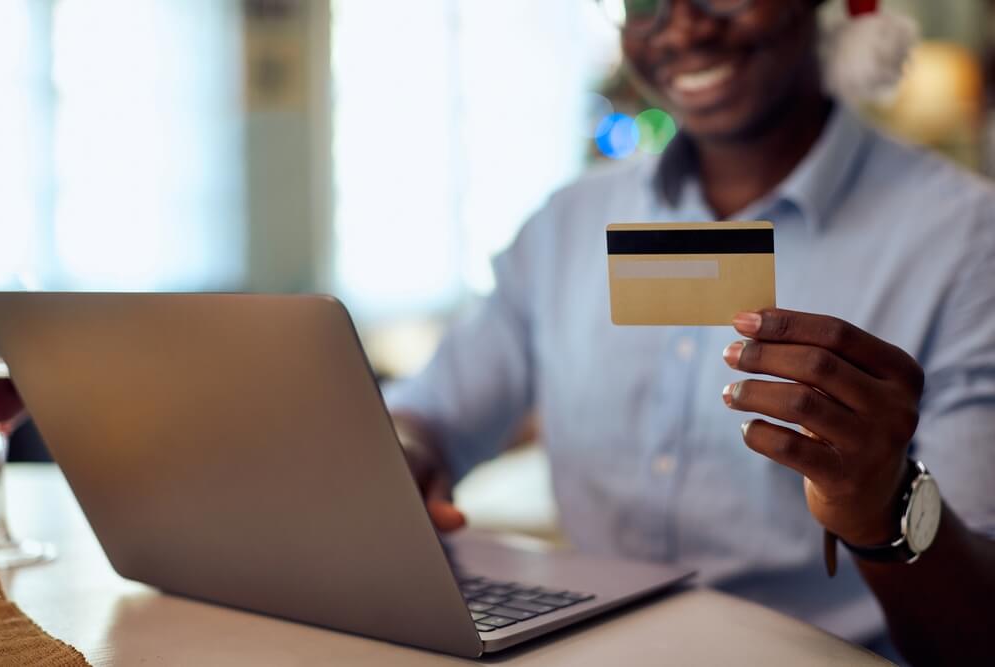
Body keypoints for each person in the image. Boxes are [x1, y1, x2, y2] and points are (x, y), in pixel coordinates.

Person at [385, 0, 995, 663]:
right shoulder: (566, 222)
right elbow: (430, 415)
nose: (682, 27)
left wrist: (885, 506)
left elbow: (979, 633)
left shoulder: (966, 240)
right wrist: (398, 456)